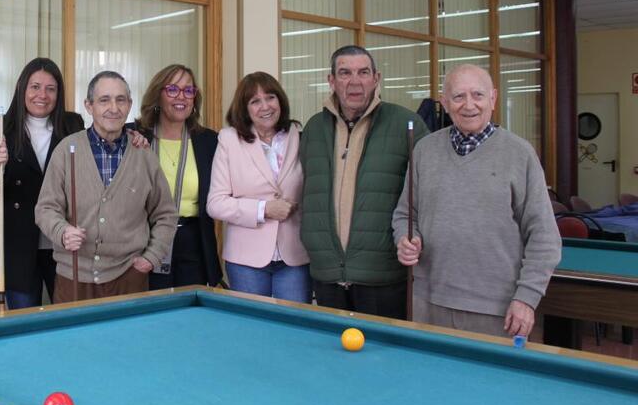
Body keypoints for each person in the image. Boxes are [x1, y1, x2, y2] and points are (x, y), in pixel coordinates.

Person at [393, 64, 561, 338]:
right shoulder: (424, 150)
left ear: (493, 98)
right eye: (458, 96)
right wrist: (405, 238)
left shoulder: (520, 154)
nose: (469, 105)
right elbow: (405, 214)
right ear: (445, 103)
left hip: (498, 310)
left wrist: (526, 298)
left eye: (478, 95)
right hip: (429, 303)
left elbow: (544, 236)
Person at [299, 45, 428, 319]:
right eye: (345, 73)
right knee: (330, 346)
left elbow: (427, 195)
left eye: (363, 72)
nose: (354, 81)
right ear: (331, 80)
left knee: (382, 347)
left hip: (382, 276)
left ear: (376, 78)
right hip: (327, 273)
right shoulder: (314, 128)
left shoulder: (407, 124)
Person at [35, 71, 176, 302]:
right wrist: (62, 231)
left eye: (121, 100)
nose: (114, 108)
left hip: (130, 277)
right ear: (88, 106)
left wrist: (151, 257)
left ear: (129, 105)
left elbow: (166, 214)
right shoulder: (66, 150)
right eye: (104, 100)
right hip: (73, 278)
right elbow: (45, 209)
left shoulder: (144, 155)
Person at [0, 58, 85, 309]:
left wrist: (135, 135)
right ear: (22, 88)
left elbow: (104, 138)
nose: (42, 95)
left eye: (50, 88)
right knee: (25, 320)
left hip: (62, 238)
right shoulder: (0, 127)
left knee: (68, 315)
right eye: (35, 87)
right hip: (18, 241)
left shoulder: (73, 125)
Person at [207, 72, 309, 302]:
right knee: (251, 322)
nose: (265, 106)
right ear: (245, 109)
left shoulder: (299, 135)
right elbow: (215, 204)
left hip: (295, 254)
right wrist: (264, 209)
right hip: (246, 260)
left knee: (294, 321)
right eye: (255, 101)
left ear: (280, 100)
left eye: (270, 97)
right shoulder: (229, 140)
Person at [135, 63, 222, 289]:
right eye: (172, 89)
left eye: (188, 90)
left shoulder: (209, 141)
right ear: (158, 95)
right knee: (150, 306)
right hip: (146, 238)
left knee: (190, 308)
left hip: (193, 242)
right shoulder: (134, 137)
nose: (181, 96)